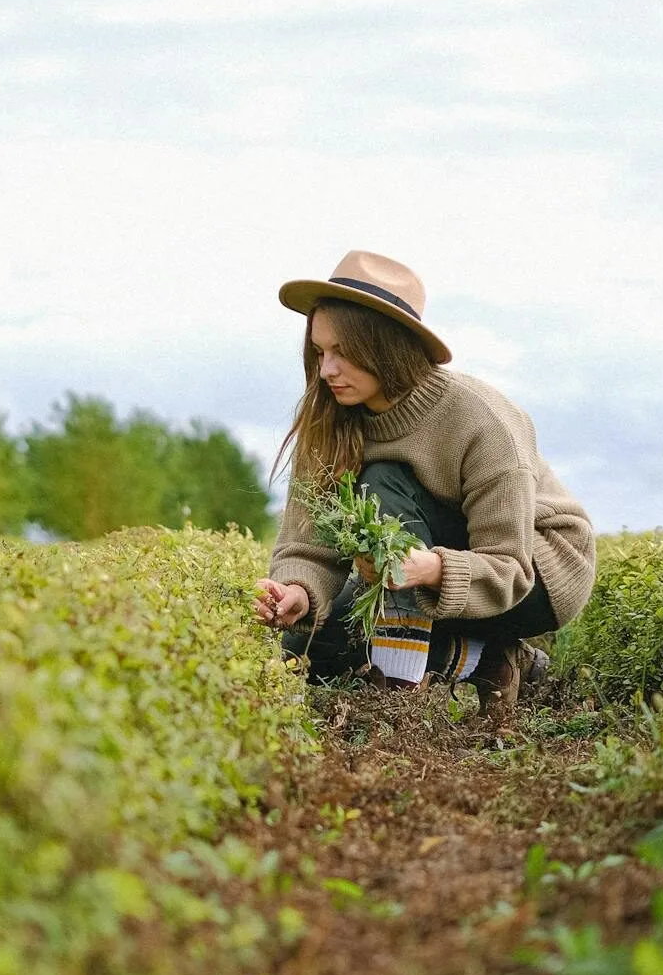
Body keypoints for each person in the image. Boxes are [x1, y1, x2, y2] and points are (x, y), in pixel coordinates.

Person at [253, 249, 596, 715]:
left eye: (344, 353)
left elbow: (510, 568)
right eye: (320, 352)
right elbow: (307, 547)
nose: (328, 370)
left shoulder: (481, 421)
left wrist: (431, 568)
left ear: (387, 347)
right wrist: (297, 591)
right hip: (420, 573)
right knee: (306, 650)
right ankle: (491, 660)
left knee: (381, 481)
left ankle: (395, 698)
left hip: (536, 574)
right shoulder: (330, 419)